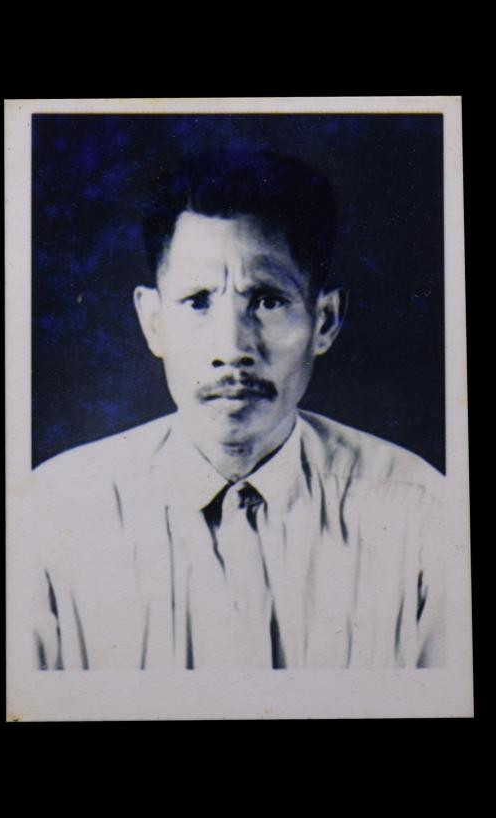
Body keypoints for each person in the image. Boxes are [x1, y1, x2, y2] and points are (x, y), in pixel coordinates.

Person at [24, 149, 445, 671]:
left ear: (325, 320)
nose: (231, 348)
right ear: (153, 321)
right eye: (198, 300)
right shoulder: (51, 515)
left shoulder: (422, 516)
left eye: (266, 300)